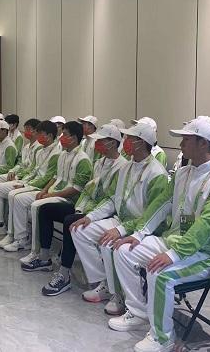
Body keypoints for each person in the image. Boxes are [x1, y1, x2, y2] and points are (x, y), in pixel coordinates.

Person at [110, 118, 210, 352]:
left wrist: (173, 255)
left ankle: (163, 337)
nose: (181, 145)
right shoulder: (182, 173)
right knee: (123, 250)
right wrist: (139, 234)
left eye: (186, 139)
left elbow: (205, 226)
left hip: (204, 254)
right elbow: (161, 204)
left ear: (203, 144)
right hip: (172, 240)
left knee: (161, 274)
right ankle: (138, 312)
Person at [70, 122, 168, 314]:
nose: (125, 142)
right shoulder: (126, 167)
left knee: (109, 242)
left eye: (130, 138)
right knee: (80, 230)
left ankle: (120, 295)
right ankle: (106, 282)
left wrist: (121, 230)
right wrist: (90, 217)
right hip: (121, 219)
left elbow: (151, 216)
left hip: (142, 227)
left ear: (142, 142)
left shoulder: (157, 174)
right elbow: (112, 199)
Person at [36, 124, 128, 296]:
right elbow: (88, 190)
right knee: (46, 209)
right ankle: (44, 256)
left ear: (113, 143)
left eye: (101, 141)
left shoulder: (122, 167)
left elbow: (111, 199)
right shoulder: (99, 163)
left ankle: (64, 273)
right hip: (86, 207)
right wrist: (79, 208)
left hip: (105, 212)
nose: (97, 144)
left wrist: (87, 214)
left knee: (71, 221)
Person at [19, 121, 93, 268]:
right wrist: (45, 190)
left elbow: (76, 189)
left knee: (37, 206)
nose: (61, 137)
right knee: (36, 203)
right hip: (56, 193)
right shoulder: (63, 154)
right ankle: (41, 253)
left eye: (64, 134)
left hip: (69, 200)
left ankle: (36, 251)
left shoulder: (83, 159)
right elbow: (56, 177)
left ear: (74, 138)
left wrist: (52, 195)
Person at [0, 120, 61, 252]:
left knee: (16, 196)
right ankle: (12, 234)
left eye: (40, 133)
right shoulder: (41, 150)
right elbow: (34, 170)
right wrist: (23, 182)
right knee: (10, 194)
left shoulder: (56, 153)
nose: (37, 136)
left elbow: (47, 177)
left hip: (42, 187)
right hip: (32, 182)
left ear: (50, 136)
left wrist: (25, 184)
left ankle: (22, 238)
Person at [0, 118, 41, 236]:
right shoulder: (26, 147)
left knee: (1, 189)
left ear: (36, 131)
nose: (26, 132)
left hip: (25, 178)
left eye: (29, 129)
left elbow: (33, 169)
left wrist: (20, 178)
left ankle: (9, 230)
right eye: (25, 129)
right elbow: (20, 163)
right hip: (17, 175)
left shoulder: (38, 148)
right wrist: (13, 171)